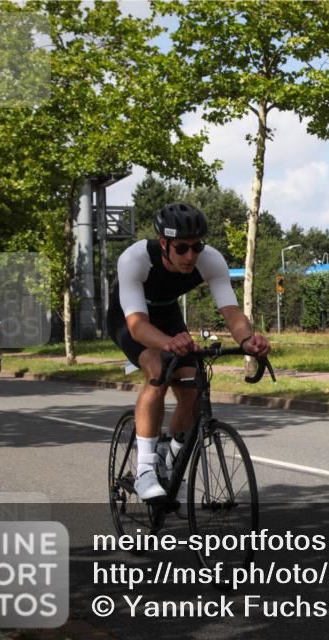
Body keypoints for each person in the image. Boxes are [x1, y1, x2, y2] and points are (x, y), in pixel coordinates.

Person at [107, 202, 270, 503]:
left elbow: (231, 312)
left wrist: (248, 340)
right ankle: (144, 470)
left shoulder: (210, 261)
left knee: (193, 383)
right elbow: (138, 326)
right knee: (156, 367)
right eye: (182, 248)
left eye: (197, 247)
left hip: (166, 315)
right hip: (129, 318)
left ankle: (172, 463)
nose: (191, 256)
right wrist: (167, 343)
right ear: (164, 243)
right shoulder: (135, 259)